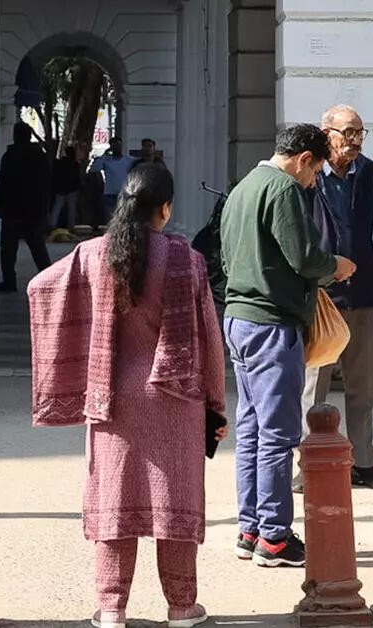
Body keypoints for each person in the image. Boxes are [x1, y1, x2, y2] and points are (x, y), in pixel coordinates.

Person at [27, 163, 227, 628]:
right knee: (174, 503)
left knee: (114, 506)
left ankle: (112, 609)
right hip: (175, 400)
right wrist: (215, 403)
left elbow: (40, 288)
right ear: (165, 209)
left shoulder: (94, 254)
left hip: (111, 400)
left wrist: (79, 341)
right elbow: (209, 339)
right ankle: (181, 607)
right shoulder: (187, 260)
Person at [220, 124, 355, 568]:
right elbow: (303, 257)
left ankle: (250, 529)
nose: (315, 181)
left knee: (251, 429)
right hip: (272, 323)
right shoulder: (283, 190)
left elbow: (225, 258)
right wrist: (336, 265)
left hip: (238, 318)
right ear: (304, 159)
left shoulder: (242, 188)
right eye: (316, 171)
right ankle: (275, 537)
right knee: (277, 434)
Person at [297, 105, 373, 492]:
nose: (355, 141)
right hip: (322, 291)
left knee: (362, 383)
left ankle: (363, 463)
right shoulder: (309, 172)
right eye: (348, 133)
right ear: (327, 133)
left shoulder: (365, 170)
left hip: (363, 286)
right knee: (313, 384)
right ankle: (310, 463)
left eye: (360, 133)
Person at [0, 123, 53, 292]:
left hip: (12, 210)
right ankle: (49, 281)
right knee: (38, 248)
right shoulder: (39, 156)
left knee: (8, 250)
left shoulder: (10, 155)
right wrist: (44, 209)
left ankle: (9, 282)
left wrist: (0, 205)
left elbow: (3, 183)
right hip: (33, 211)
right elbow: (47, 185)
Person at [90, 139, 136, 223]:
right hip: (109, 194)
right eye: (114, 146)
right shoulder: (106, 160)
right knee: (110, 218)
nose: (117, 148)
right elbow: (94, 169)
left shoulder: (128, 160)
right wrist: (104, 155)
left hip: (124, 193)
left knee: (124, 217)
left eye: (119, 145)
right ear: (111, 147)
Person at [51, 145, 82, 232]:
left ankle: (52, 225)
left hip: (60, 188)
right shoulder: (75, 164)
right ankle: (71, 227)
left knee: (57, 207)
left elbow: (54, 175)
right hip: (72, 189)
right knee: (71, 208)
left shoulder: (58, 163)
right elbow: (77, 177)